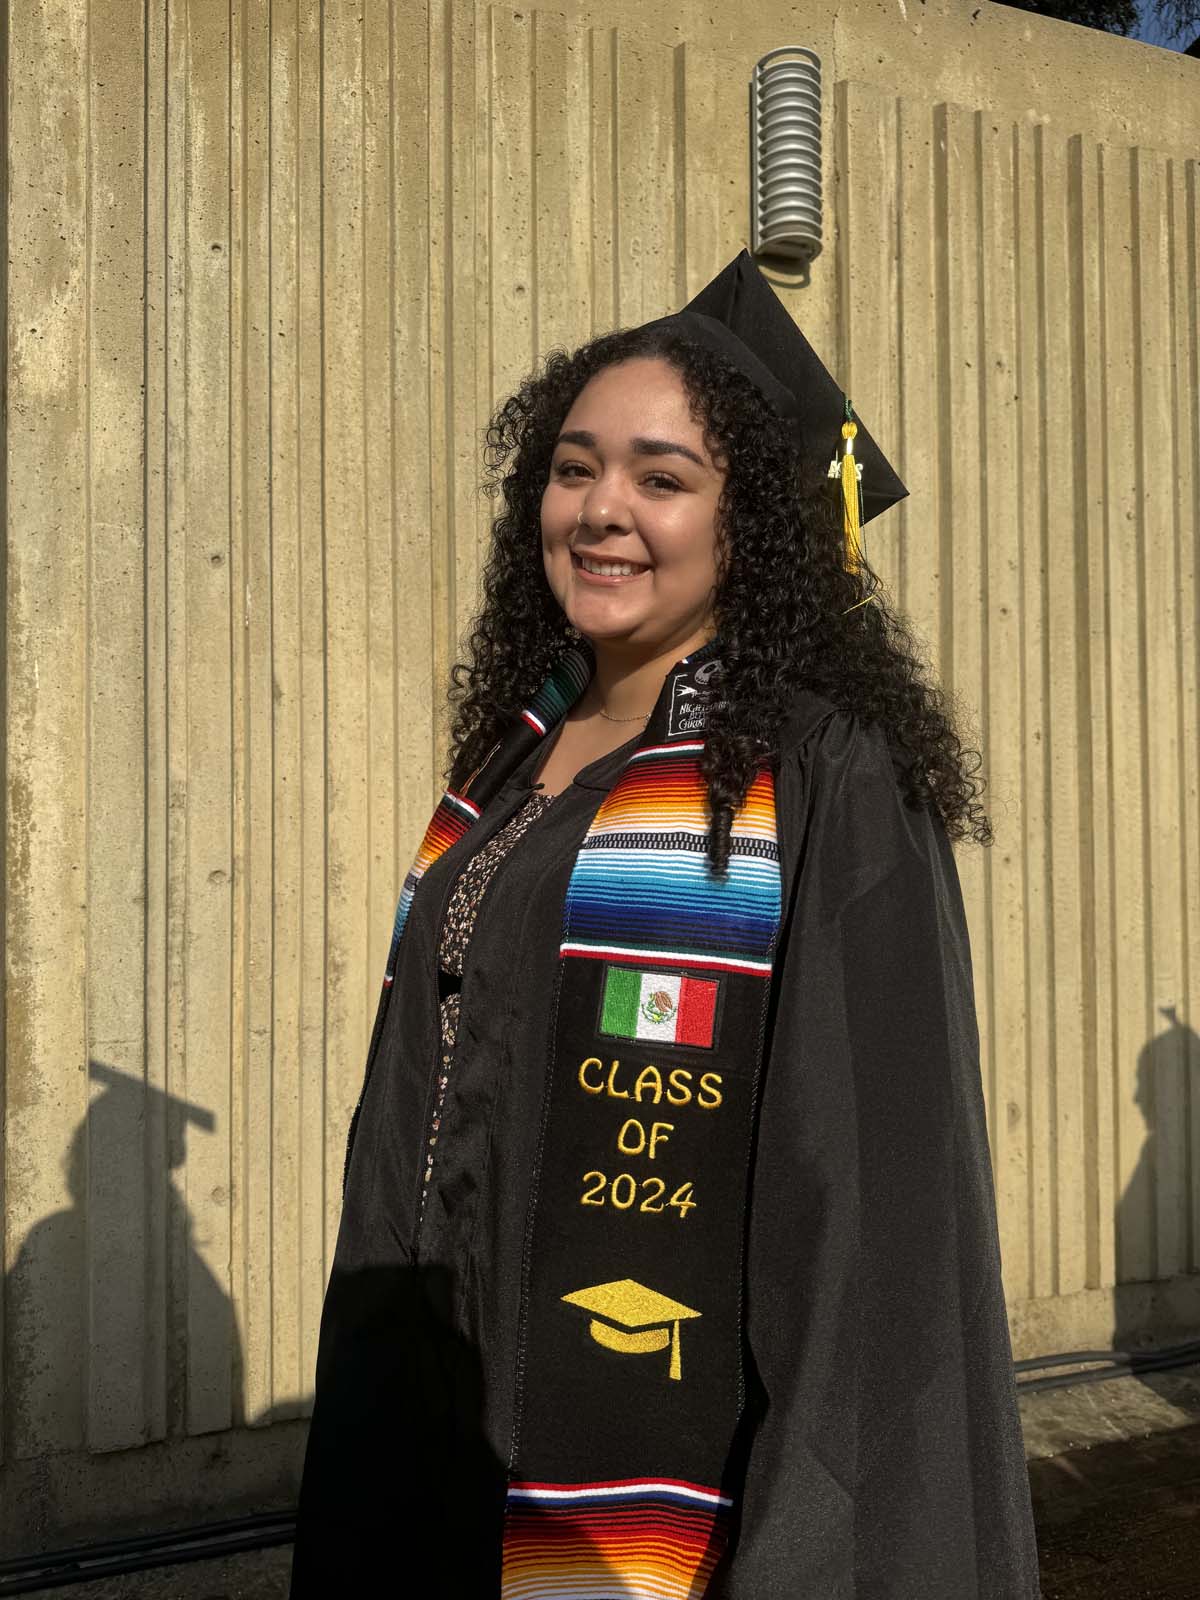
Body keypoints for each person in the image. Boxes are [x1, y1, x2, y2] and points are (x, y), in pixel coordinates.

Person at [289, 252, 1041, 1597]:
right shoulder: (514, 756)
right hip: (449, 1439)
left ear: (750, 517)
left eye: (662, 477)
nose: (603, 510)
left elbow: (872, 1211)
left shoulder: (822, 773)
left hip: (677, 1479)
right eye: (574, 469)